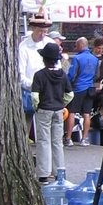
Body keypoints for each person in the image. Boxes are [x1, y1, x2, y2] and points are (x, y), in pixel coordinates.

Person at [31, 42, 73, 185]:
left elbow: (35, 96)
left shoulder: (39, 75)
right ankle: (59, 172)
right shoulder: (62, 75)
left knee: (43, 141)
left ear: (44, 59)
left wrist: (37, 107)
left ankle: (43, 173)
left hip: (44, 109)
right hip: (58, 110)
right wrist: (62, 104)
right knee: (57, 141)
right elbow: (70, 94)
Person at [18, 11, 53, 138]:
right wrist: (32, 85)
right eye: (40, 32)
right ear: (32, 28)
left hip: (48, 90)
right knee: (27, 120)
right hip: (31, 89)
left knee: (46, 125)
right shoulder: (24, 47)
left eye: (45, 32)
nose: (43, 35)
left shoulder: (49, 43)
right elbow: (21, 74)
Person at [66, 36, 100, 146]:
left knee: (72, 112)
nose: (75, 48)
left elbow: (72, 75)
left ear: (81, 45)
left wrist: (69, 84)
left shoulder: (77, 58)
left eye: (76, 45)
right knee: (86, 113)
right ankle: (84, 139)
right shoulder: (95, 59)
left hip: (78, 88)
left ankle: (68, 138)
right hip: (90, 88)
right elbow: (97, 75)